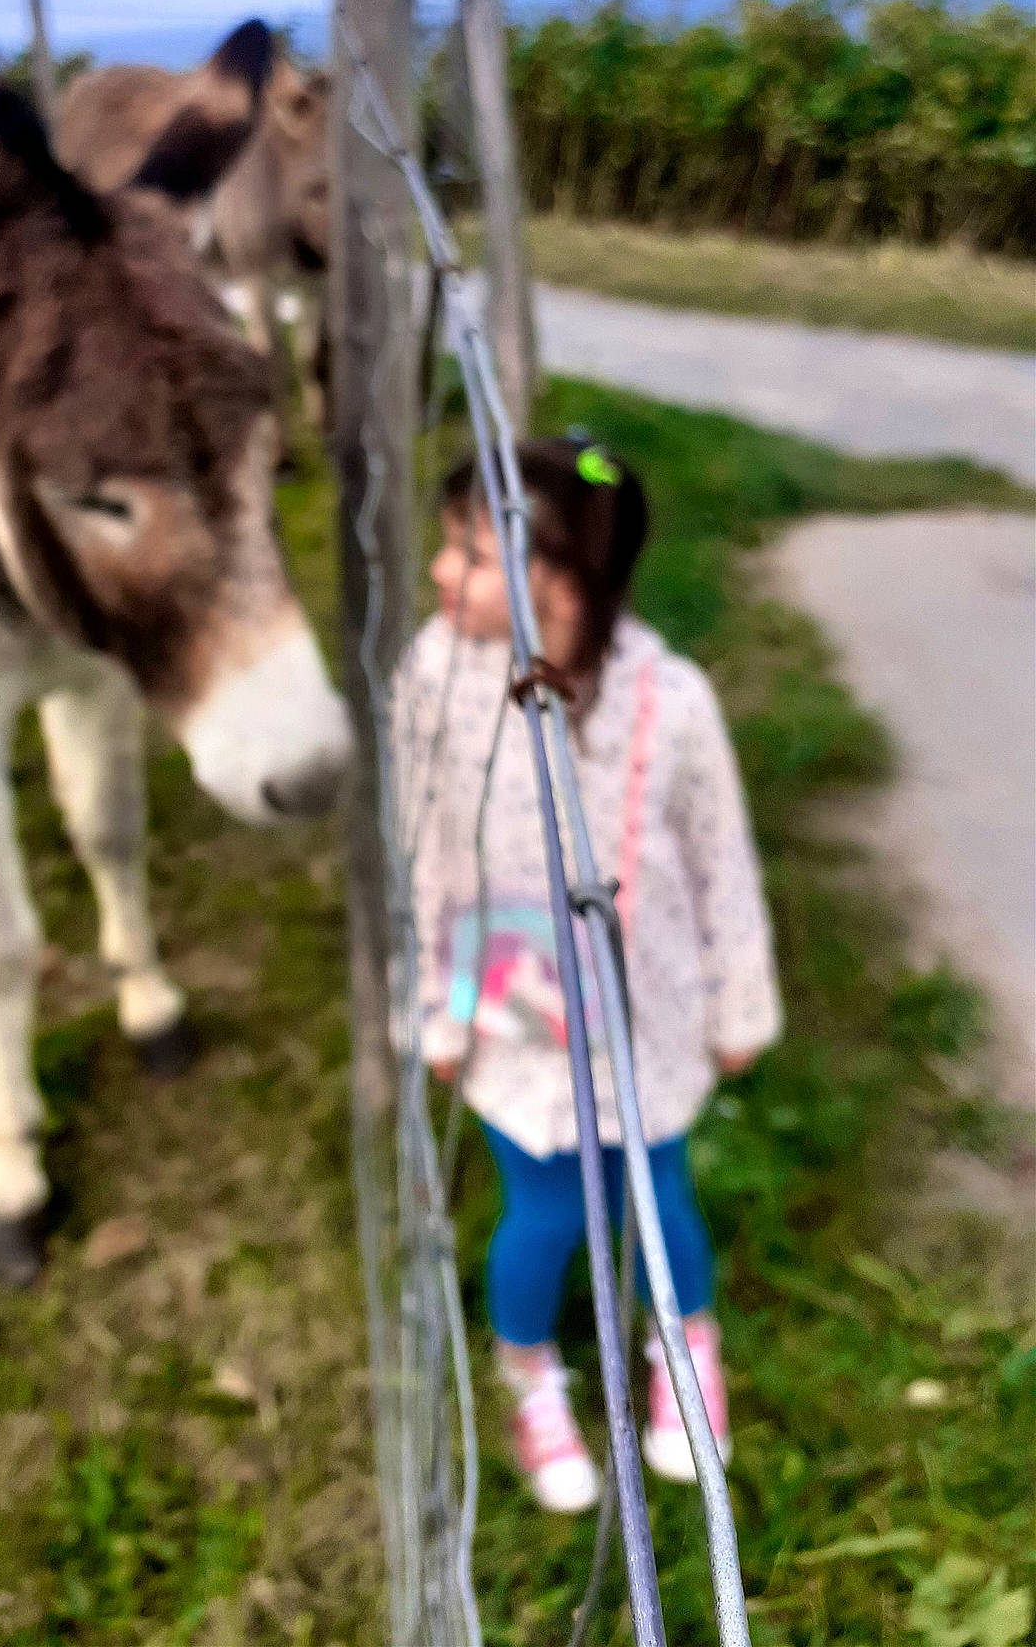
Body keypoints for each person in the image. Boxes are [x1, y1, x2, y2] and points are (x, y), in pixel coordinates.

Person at [392, 437, 782, 1513]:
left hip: (645, 1014)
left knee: (662, 1195)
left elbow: (720, 859)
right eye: (448, 544)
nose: (439, 572)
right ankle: (530, 1372)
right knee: (547, 1210)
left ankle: (684, 1349)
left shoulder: (673, 701)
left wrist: (737, 999)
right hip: (513, 1017)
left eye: (472, 553)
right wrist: (431, 1002)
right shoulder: (433, 676)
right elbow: (421, 849)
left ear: (567, 579)